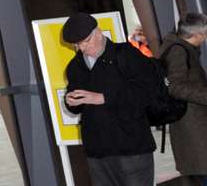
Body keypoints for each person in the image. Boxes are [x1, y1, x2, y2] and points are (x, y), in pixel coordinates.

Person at [60, 12, 159, 186]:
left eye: (85, 42)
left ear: (98, 33)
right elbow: (78, 106)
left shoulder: (127, 54)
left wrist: (103, 98)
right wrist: (71, 102)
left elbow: (147, 92)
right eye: (76, 45)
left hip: (131, 147)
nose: (81, 48)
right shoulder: (75, 66)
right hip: (97, 151)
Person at [158, 13, 207, 186]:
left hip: (195, 125)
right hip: (194, 128)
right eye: (206, 34)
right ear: (199, 35)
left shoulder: (177, 46)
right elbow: (175, 87)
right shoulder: (178, 51)